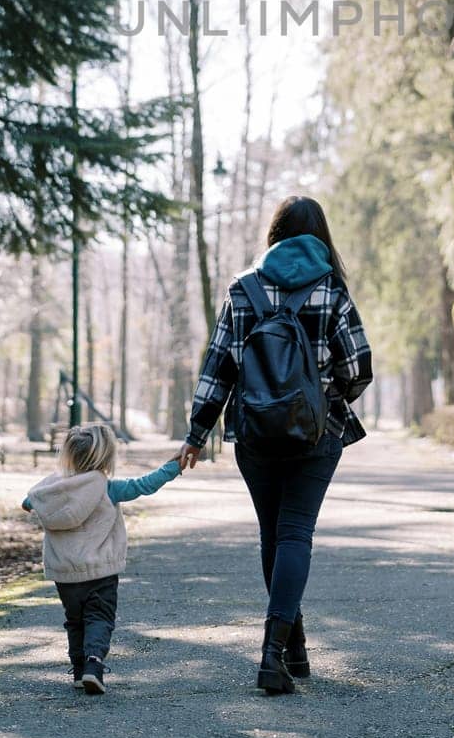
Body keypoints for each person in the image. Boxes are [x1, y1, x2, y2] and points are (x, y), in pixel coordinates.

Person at [179, 194, 373, 694]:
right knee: (295, 535)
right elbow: (358, 368)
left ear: (274, 235)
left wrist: (197, 433)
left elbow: (217, 366)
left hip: (254, 434)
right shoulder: (330, 288)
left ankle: (293, 649)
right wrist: (328, 394)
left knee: (273, 537)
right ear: (321, 235)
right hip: (316, 434)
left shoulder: (242, 290)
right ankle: (274, 653)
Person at [23, 422, 181, 694]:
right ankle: (93, 666)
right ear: (105, 457)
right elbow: (145, 485)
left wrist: (29, 503)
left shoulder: (52, 489)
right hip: (100, 570)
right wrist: (174, 466)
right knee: (99, 618)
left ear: (69, 454)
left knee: (75, 620)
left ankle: (78, 668)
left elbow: (30, 502)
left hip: (64, 572)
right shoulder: (108, 488)